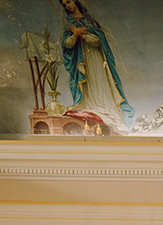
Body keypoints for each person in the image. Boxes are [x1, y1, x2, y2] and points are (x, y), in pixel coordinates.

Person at [59, 0, 134, 135]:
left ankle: (104, 106)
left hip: (96, 59)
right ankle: (89, 106)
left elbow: (99, 39)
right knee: (87, 85)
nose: (67, 6)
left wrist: (84, 35)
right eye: (64, 5)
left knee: (99, 83)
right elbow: (67, 45)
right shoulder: (68, 24)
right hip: (81, 62)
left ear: (76, 1)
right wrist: (75, 34)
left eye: (68, 1)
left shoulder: (88, 20)